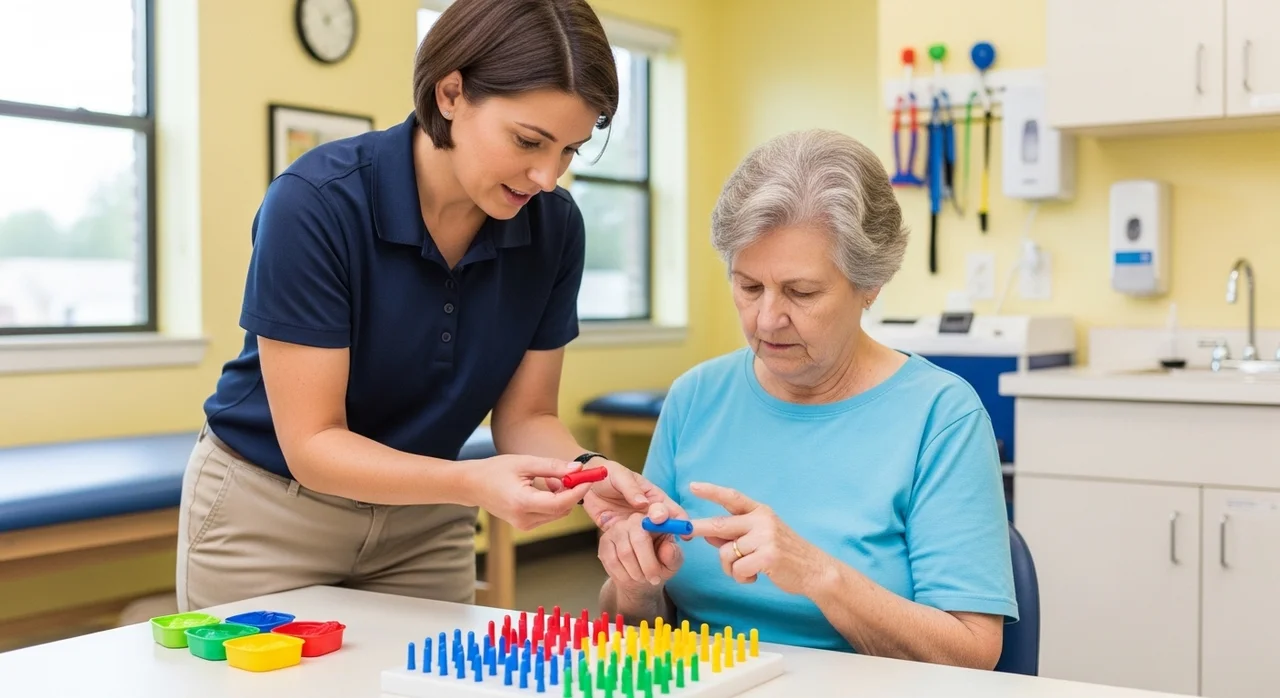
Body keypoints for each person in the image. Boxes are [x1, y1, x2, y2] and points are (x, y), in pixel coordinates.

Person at [177, 0, 681, 613]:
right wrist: (471, 481)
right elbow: (313, 444)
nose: (548, 176)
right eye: (528, 140)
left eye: (571, 150)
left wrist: (590, 475)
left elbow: (526, 415)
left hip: (424, 523)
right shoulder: (314, 204)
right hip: (273, 513)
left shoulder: (553, 229)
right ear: (450, 93)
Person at [596, 129, 1017, 670]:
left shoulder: (941, 416)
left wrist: (819, 574)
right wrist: (634, 588)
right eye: (748, 286)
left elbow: (971, 655)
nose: (767, 319)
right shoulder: (695, 396)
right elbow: (632, 628)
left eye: (801, 292)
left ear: (871, 284)